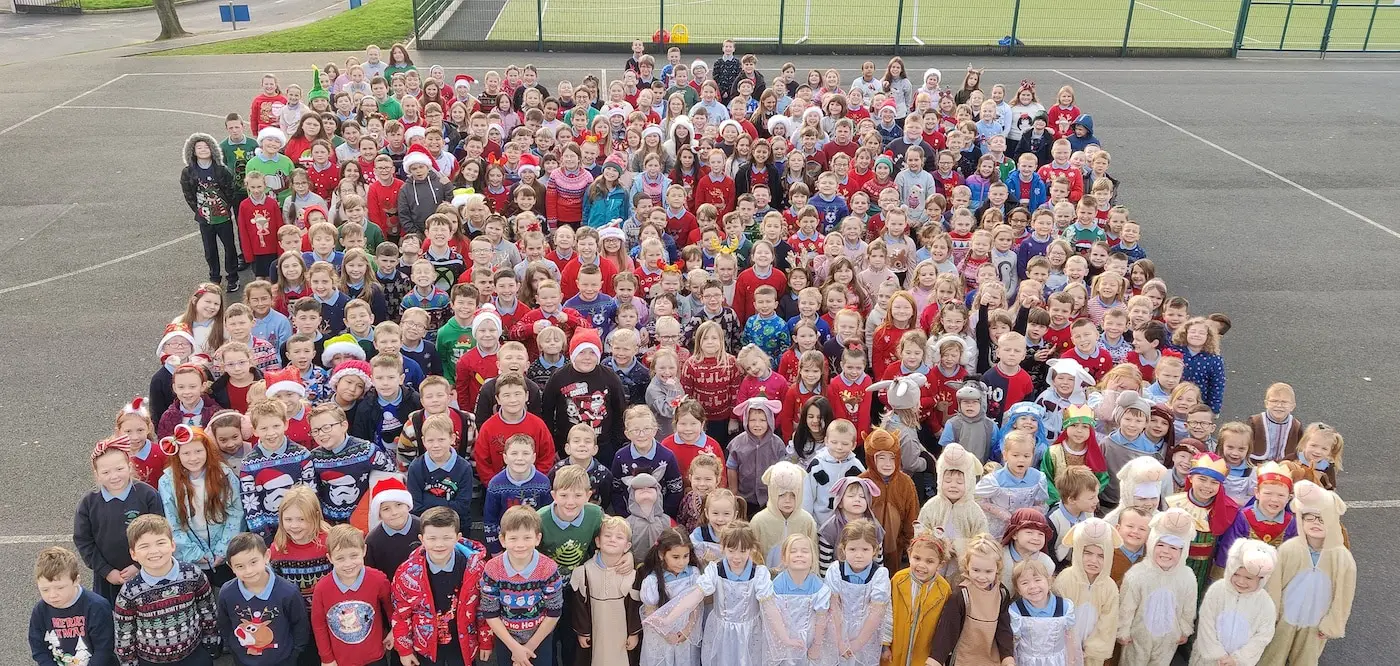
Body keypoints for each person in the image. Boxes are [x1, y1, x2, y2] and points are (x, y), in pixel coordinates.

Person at [1259, 481, 1356, 665]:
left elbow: (1344, 594)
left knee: (1306, 660)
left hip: (1316, 623)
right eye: (1309, 518)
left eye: (1322, 519)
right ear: (1300, 520)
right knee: (1271, 657)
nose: (1315, 523)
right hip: (1284, 619)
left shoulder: (1342, 558)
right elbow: (1274, 584)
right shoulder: (1289, 549)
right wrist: (1271, 615)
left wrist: (1332, 624)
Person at [390, 506, 492, 666]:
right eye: (432, 538)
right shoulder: (406, 573)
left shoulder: (476, 570)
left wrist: (485, 640)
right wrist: (405, 650)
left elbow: (483, 607)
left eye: (446, 537)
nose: (439, 544)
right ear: (422, 539)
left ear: (458, 537)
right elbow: (401, 614)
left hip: (463, 646)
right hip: (426, 648)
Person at [113, 515, 219, 666]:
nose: (154, 551)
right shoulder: (130, 591)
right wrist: (129, 662)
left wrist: (211, 645)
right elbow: (124, 633)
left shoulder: (192, 575)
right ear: (133, 554)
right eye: (144, 546)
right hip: (151, 661)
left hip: (194, 655)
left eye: (160, 542)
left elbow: (208, 610)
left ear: (172, 545)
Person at [74, 435, 164, 604]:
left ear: (130, 466)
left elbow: (160, 532)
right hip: (107, 580)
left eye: (119, 469)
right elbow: (84, 541)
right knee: (110, 619)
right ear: (97, 474)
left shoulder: (147, 495)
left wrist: (139, 566)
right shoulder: (88, 503)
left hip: (148, 572)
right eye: (106, 472)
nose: (114, 476)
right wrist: (106, 571)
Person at [159, 425, 243, 590]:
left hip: (223, 552)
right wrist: (195, 554)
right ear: (177, 455)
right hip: (189, 555)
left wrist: (223, 548)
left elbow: (236, 511)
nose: (193, 458)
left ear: (207, 450)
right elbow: (171, 521)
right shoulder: (167, 481)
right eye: (186, 453)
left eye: (198, 451)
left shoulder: (223, 475)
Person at [481, 505, 565, 666]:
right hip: (506, 639)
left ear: (537, 538)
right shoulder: (492, 568)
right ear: (503, 540)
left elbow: (554, 611)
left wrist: (529, 648)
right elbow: (490, 612)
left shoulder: (548, 568)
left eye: (527, 538)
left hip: (539, 638)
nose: (520, 544)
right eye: (513, 538)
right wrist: (515, 649)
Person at [217, 531, 312, 666]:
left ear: (267, 556)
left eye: (253, 562)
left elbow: (300, 626)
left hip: (283, 661)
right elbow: (224, 625)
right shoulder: (227, 593)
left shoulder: (288, 592)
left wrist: (294, 655)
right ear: (231, 567)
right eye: (240, 566)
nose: (248, 570)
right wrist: (235, 649)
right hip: (244, 661)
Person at [927, 534, 1014, 666]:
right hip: (963, 659)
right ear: (967, 565)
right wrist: (936, 660)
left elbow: (1003, 628)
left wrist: (1007, 656)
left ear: (998, 568)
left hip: (990, 659)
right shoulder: (961, 595)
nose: (981, 577)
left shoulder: (1001, 593)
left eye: (988, 571)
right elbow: (947, 630)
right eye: (976, 570)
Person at [566, 515, 642, 666]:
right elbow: (579, 607)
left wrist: (634, 633)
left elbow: (635, 608)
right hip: (596, 632)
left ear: (627, 546)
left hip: (621, 633)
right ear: (598, 542)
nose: (612, 539)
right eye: (607, 535)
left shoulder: (633, 575)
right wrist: (583, 632)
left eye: (619, 537)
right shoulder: (583, 572)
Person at [1190, 539, 1278, 666]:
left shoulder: (1265, 604)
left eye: (1248, 578)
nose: (1241, 581)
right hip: (1207, 659)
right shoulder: (1217, 590)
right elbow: (1206, 622)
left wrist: (1238, 659)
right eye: (1236, 574)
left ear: (1261, 579)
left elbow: (1263, 636)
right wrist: (1217, 653)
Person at [29, 546, 117, 666]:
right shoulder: (40, 610)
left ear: (76, 580)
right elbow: (38, 648)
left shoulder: (97, 607)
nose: (52, 595)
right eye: (45, 590)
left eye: (60, 588)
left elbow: (104, 649)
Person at [182, 132, 241, 290]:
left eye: (206, 146)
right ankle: (214, 277)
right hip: (205, 218)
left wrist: (226, 208)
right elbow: (188, 194)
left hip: (223, 217)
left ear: (213, 149)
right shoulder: (188, 172)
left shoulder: (222, 170)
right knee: (210, 250)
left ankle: (233, 276)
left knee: (229, 247)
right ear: (193, 152)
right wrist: (199, 211)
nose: (202, 149)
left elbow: (231, 191)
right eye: (198, 147)